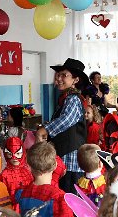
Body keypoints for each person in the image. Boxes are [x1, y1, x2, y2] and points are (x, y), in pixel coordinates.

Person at [36, 58, 88, 195]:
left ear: (75, 80)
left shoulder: (73, 99)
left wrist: (45, 130)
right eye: (58, 75)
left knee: (69, 197)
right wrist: (46, 126)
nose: (58, 79)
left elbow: (67, 119)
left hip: (71, 160)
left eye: (64, 75)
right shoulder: (65, 99)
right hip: (64, 157)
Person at [0, 137, 33, 210]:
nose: (14, 157)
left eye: (18, 153)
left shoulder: (28, 172)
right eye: (10, 154)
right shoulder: (4, 175)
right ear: (5, 154)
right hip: (11, 212)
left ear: (23, 153)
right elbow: (1, 201)